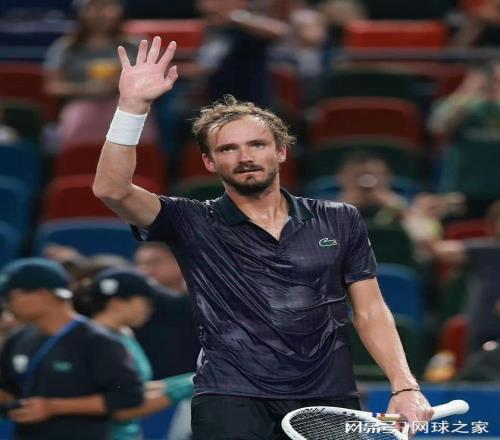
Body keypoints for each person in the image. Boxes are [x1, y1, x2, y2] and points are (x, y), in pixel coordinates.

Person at [92, 37, 434, 439]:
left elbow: (371, 310)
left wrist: (405, 386)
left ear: (281, 152)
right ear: (209, 161)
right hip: (230, 398)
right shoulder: (192, 220)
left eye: (256, 144)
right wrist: (132, 107)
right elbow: (112, 190)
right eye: (228, 149)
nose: (245, 157)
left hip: (328, 398)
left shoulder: (339, 218)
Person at [0, 258, 143, 440]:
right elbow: (10, 390)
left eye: (11, 297)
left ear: (42, 294)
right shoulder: (17, 338)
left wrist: (53, 407)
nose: (7, 305)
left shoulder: (97, 341)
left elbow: (129, 396)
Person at [74, 267, 195, 440]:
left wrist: (191, 380)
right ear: (118, 303)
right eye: (146, 302)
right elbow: (122, 407)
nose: (150, 309)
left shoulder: (124, 334)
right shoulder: (96, 341)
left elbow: (134, 388)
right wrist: (189, 385)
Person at [43, 0, 157, 146]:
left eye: (107, 6)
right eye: (93, 7)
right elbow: (52, 86)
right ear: (81, 12)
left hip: (127, 104)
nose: (101, 13)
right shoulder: (65, 47)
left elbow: (153, 78)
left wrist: (122, 82)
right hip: (80, 106)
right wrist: (88, 89)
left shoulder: (136, 45)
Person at [134, 242, 200, 379]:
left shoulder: (205, 304)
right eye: (140, 264)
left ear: (180, 261)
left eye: (154, 263)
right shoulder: (135, 312)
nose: (145, 271)